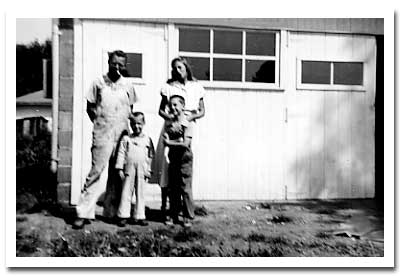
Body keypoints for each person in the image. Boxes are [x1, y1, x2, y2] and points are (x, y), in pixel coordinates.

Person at [72, 50, 138, 229]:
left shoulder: (128, 85)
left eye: (121, 64)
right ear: (108, 62)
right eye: (114, 63)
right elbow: (90, 107)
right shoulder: (98, 83)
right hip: (103, 132)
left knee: (117, 174)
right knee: (96, 172)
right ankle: (83, 213)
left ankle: (112, 212)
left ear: (124, 66)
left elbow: (130, 109)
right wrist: (101, 123)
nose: (117, 67)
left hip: (122, 133)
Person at [157, 57, 206, 223]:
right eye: (174, 68)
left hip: (188, 125)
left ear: (186, 68)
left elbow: (202, 110)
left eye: (180, 67)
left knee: (186, 169)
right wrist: (171, 117)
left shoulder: (196, 86)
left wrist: (191, 117)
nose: (177, 70)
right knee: (169, 171)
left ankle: (186, 213)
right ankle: (168, 209)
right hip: (172, 126)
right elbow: (161, 110)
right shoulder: (169, 87)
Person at [115, 112, 154, 227]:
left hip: (142, 169)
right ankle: (123, 215)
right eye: (133, 124)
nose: (136, 126)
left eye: (139, 123)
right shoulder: (126, 139)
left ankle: (140, 216)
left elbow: (151, 155)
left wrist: (149, 169)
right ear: (130, 124)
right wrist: (119, 169)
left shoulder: (147, 139)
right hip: (129, 169)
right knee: (126, 192)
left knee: (140, 193)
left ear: (144, 123)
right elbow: (121, 153)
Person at [163, 95, 195, 227]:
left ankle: (188, 216)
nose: (172, 108)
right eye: (170, 105)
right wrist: (175, 141)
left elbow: (185, 143)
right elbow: (166, 138)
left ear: (183, 106)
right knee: (173, 187)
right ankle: (174, 214)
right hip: (173, 157)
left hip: (184, 158)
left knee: (185, 187)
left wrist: (170, 142)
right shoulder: (169, 122)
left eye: (176, 105)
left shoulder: (187, 122)